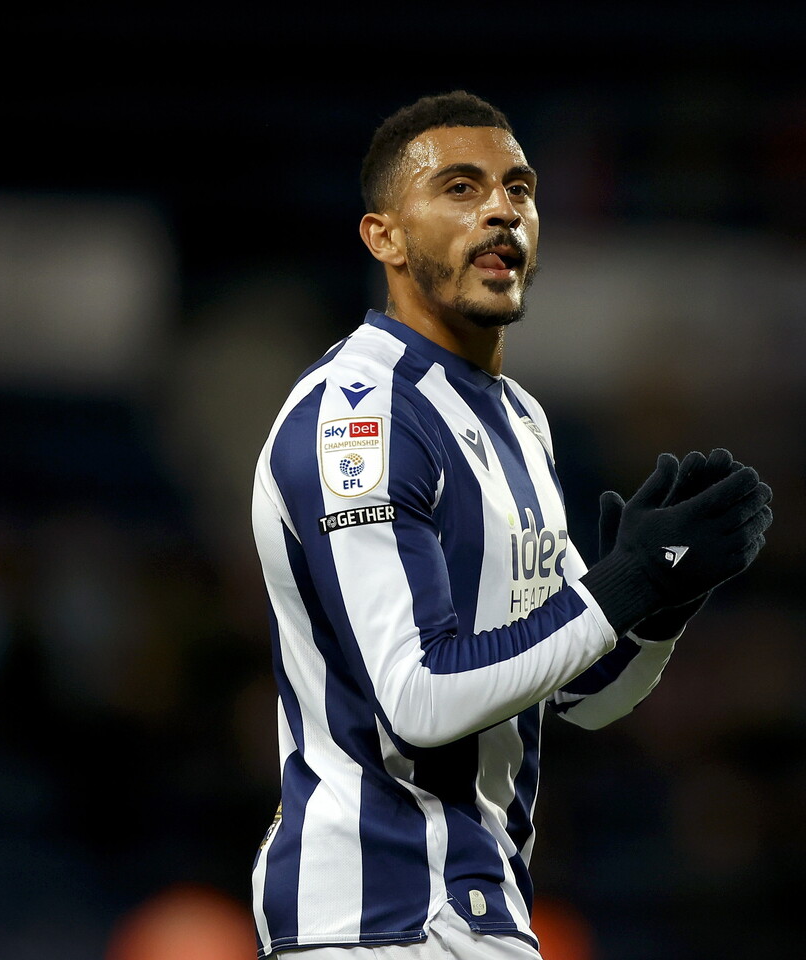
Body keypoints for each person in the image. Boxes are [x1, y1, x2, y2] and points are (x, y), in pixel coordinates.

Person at [249, 90, 772, 959]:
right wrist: (622, 586)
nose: (501, 209)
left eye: (518, 189)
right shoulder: (363, 418)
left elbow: (581, 695)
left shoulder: (518, 419)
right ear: (383, 237)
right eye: (459, 188)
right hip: (376, 925)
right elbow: (418, 699)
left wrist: (660, 607)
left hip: (479, 914)